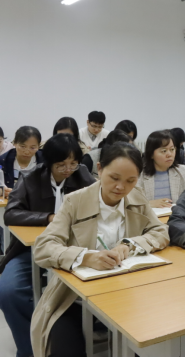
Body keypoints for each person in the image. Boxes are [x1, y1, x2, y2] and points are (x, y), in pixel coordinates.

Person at [31, 142, 170, 357]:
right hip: (75, 298)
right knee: (64, 348)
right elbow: (43, 247)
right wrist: (86, 257)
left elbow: (160, 232)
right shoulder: (75, 201)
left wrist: (129, 245)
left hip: (129, 293)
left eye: (130, 181)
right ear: (100, 169)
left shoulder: (137, 198)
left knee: (154, 341)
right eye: (114, 178)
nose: (121, 187)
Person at [0, 134, 95, 357]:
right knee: (8, 291)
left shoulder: (82, 174)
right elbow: (11, 213)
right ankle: (31, 348)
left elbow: (100, 201)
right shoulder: (30, 177)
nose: (68, 169)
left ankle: (65, 339)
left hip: (74, 249)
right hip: (32, 249)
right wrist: (49, 217)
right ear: (48, 162)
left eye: (73, 163)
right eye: (61, 164)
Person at [136, 130, 185, 209]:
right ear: (151, 154)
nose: (169, 154)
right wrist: (148, 203)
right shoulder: (140, 175)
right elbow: (130, 201)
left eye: (172, 149)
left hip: (176, 215)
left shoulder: (181, 170)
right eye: (164, 151)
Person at [0, 126, 44, 194]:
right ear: (14, 143)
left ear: (38, 146)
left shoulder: (45, 161)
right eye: (23, 146)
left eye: (32, 148)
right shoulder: (3, 160)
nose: (27, 152)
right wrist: (3, 191)